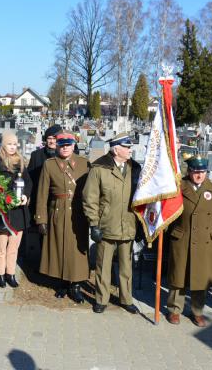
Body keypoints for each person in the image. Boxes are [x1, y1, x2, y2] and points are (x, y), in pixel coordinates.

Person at [83, 133, 141, 314]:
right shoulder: (99, 168)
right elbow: (90, 197)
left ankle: (126, 299)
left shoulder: (135, 168)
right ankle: (101, 299)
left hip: (128, 224)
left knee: (126, 267)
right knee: (103, 266)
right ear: (116, 149)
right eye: (127, 147)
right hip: (106, 225)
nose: (130, 150)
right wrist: (93, 224)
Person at [165, 156, 212, 327]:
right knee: (178, 276)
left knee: (200, 278)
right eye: (195, 172)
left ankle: (197, 312)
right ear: (189, 171)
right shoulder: (178, 186)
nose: (199, 175)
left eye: (202, 172)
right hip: (183, 238)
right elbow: (168, 212)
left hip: (205, 241)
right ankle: (174, 310)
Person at [35, 131, 90, 303]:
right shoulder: (49, 165)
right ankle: (62, 283)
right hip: (57, 212)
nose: (65, 148)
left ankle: (75, 285)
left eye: (68, 145)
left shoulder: (84, 163)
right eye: (62, 145)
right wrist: (41, 219)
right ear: (57, 146)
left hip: (78, 213)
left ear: (74, 145)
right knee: (58, 248)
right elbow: (42, 194)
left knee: (76, 251)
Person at [0, 131, 32, 288]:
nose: (12, 147)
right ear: (3, 145)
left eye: (15, 144)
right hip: (3, 211)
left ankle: (11, 273)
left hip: (18, 212)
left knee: (14, 247)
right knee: (1, 246)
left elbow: (28, 183)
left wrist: (25, 196)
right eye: (9, 144)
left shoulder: (21, 162)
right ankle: (0, 274)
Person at [27, 124, 61, 224]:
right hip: (39, 197)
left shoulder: (63, 155)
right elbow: (30, 178)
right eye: (49, 138)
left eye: (54, 138)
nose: (52, 141)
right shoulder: (36, 155)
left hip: (56, 199)